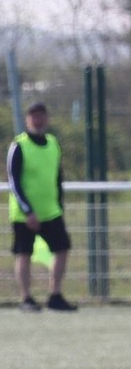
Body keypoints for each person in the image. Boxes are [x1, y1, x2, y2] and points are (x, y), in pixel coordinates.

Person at [8, 102, 76, 312]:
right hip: (24, 214)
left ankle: (55, 295)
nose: (38, 120)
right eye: (33, 116)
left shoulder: (53, 143)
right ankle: (26, 298)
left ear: (47, 118)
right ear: (27, 120)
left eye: (41, 116)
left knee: (62, 248)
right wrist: (28, 210)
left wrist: (60, 204)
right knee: (24, 253)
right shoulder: (19, 146)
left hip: (50, 211)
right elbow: (14, 181)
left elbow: (57, 177)